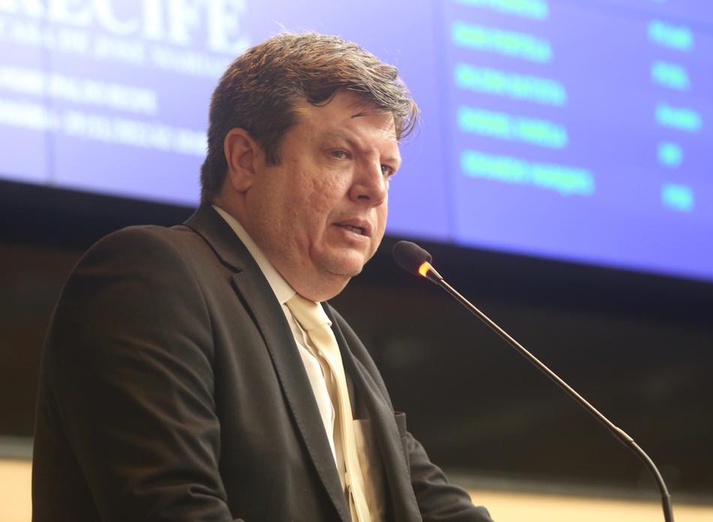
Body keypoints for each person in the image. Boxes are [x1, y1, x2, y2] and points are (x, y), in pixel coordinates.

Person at [32, 32, 494, 521]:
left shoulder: (337, 342)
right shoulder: (151, 277)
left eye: (386, 168)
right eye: (340, 154)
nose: (374, 191)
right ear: (245, 160)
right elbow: (175, 509)